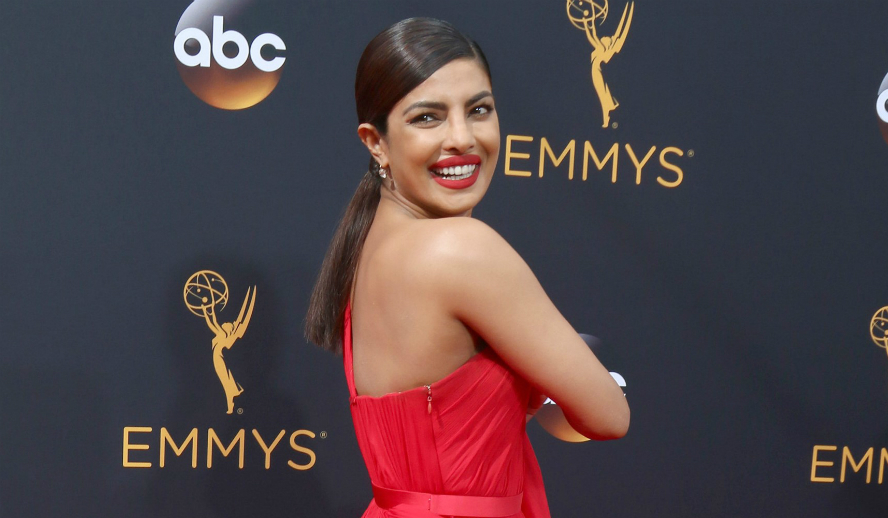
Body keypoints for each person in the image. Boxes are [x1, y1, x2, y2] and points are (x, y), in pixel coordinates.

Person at [305, 17, 629, 518]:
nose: (462, 138)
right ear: (375, 141)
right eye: (428, 118)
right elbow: (609, 414)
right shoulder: (462, 249)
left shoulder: (364, 246)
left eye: (479, 110)